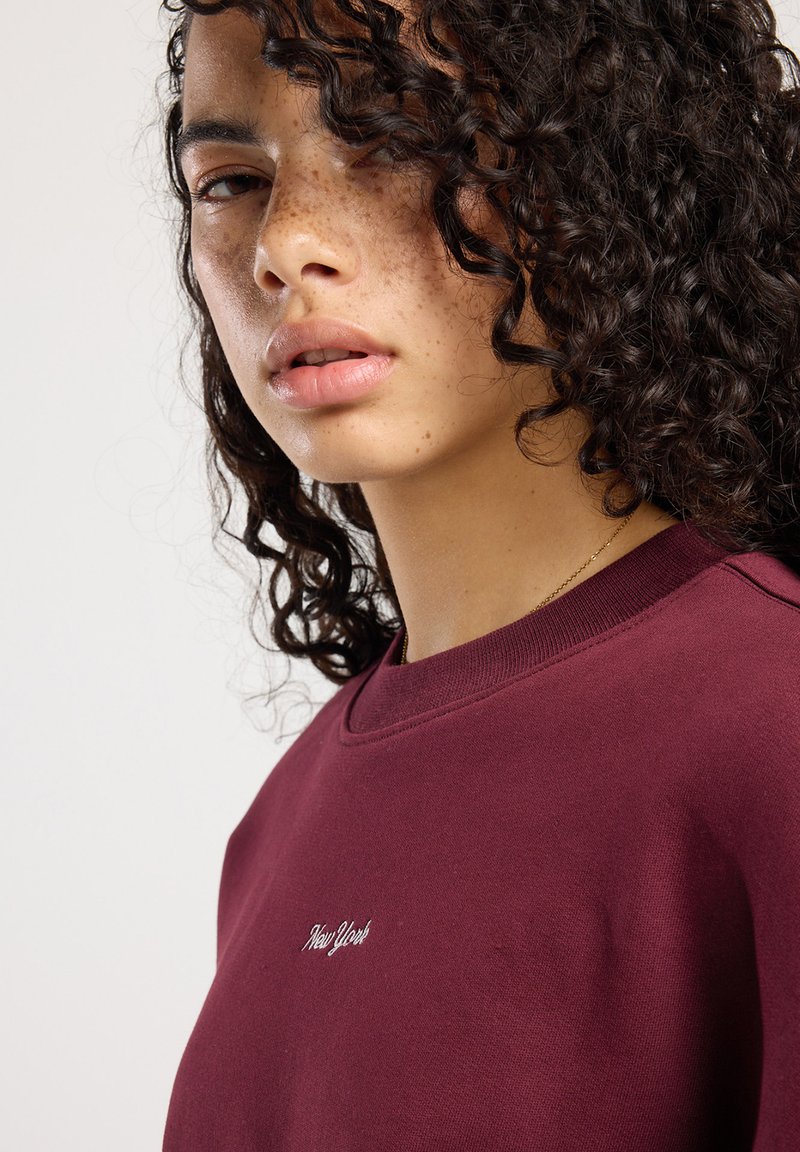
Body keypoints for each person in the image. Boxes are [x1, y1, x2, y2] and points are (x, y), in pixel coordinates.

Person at [159, 1, 800, 1148]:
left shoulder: (773, 725)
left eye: (392, 138)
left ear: (600, 165)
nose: (283, 243)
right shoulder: (281, 825)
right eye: (230, 182)